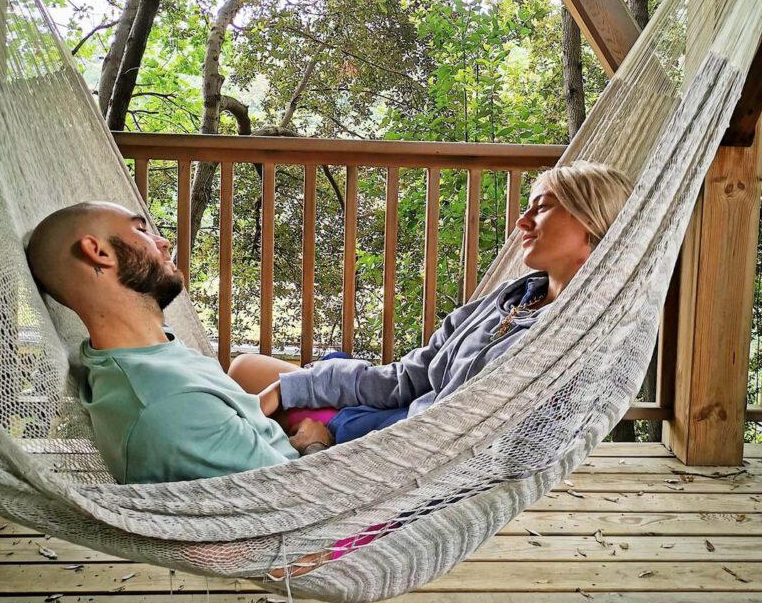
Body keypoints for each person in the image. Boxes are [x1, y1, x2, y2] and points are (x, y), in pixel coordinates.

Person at [229, 160, 633, 445]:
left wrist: (328, 439)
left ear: (592, 221)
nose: (521, 222)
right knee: (248, 368)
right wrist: (290, 390)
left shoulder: (576, 337)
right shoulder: (507, 300)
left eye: (541, 208)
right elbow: (406, 377)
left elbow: (464, 445)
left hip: (397, 447)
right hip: (398, 411)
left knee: (246, 384)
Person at [26, 201, 332, 484]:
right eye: (141, 230)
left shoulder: (134, 355)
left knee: (251, 366)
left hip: (269, 446)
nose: (164, 242)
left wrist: (274, 397)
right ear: (98, 252)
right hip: (318, 500)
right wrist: (316, 443)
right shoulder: (167, 406)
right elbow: (301, 499)